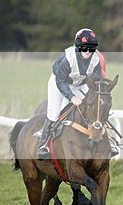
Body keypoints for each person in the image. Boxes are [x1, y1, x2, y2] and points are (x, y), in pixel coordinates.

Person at [36, 28, 103, 160]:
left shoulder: (96, 60)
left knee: (91, 109)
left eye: (91, 48)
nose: (88, 51)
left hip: (78, 83)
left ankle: (95, 139)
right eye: (85, 48)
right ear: (78, 47)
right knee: (55, 112)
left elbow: (96, 81)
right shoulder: (68, 58)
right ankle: (43, 146)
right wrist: (71, 97)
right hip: (59, 82)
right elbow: (60, 81)